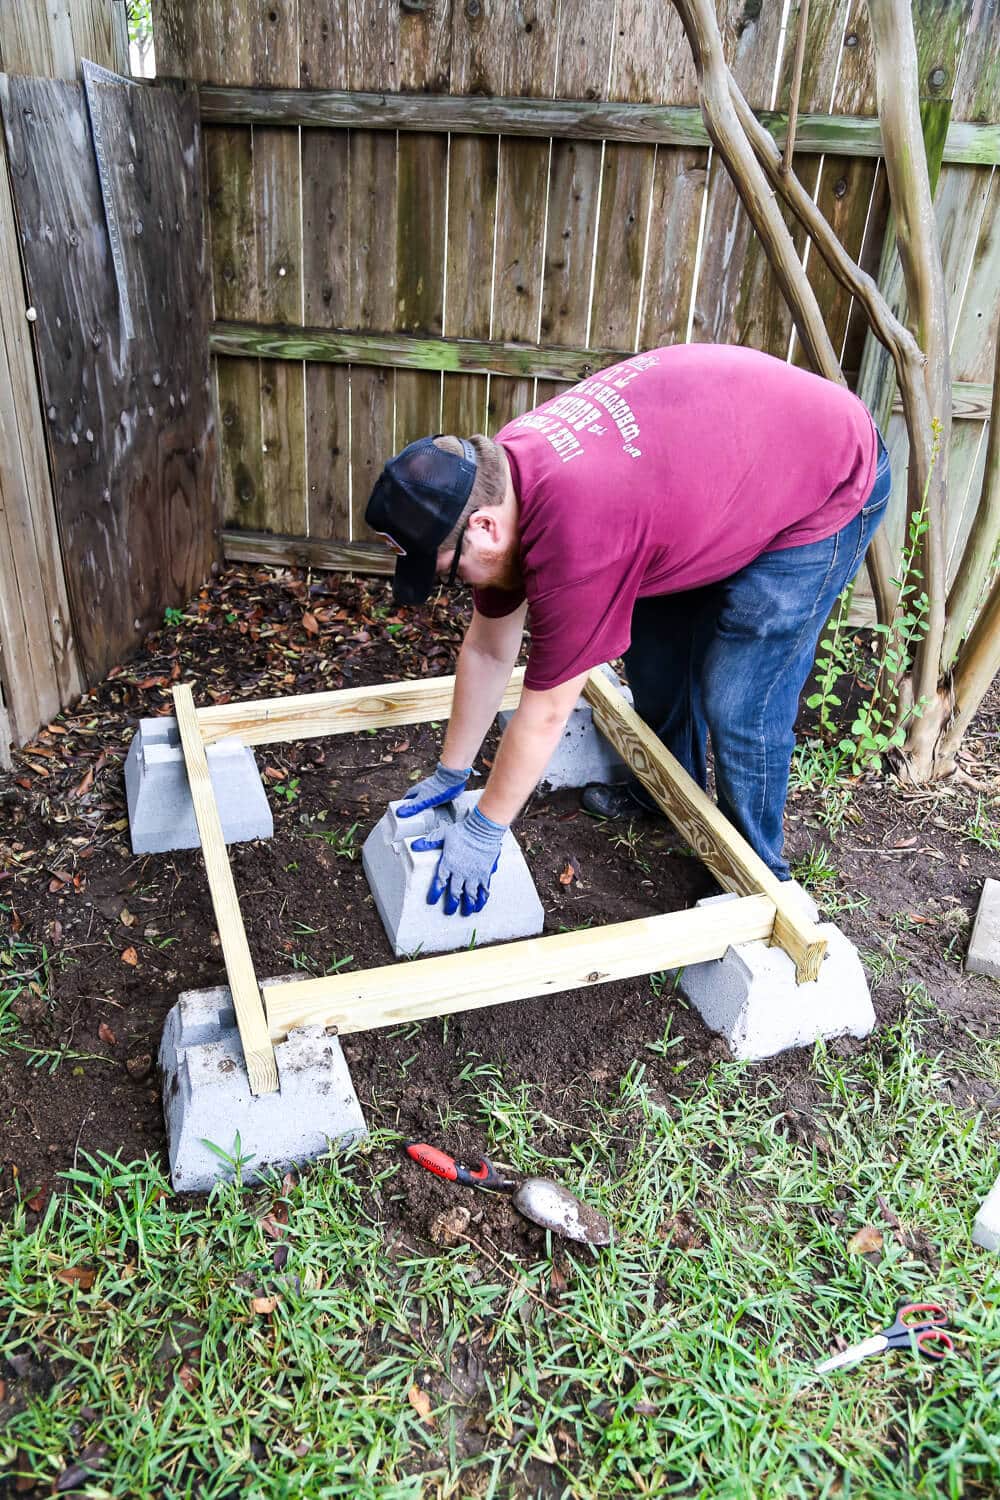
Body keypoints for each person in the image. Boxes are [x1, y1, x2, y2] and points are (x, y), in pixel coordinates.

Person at [365, 344, 891, 918]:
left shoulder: (575, 535)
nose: (459, 585)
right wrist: (452, 771)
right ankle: (669, 795)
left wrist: (486, 828)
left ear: (484, 528)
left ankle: (760, 882)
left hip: (826, 477)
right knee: (656, 657)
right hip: (721, 469)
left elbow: (544, 713)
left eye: (449, 572)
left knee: (740, 696)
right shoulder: (500, 478)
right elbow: (491, 650)